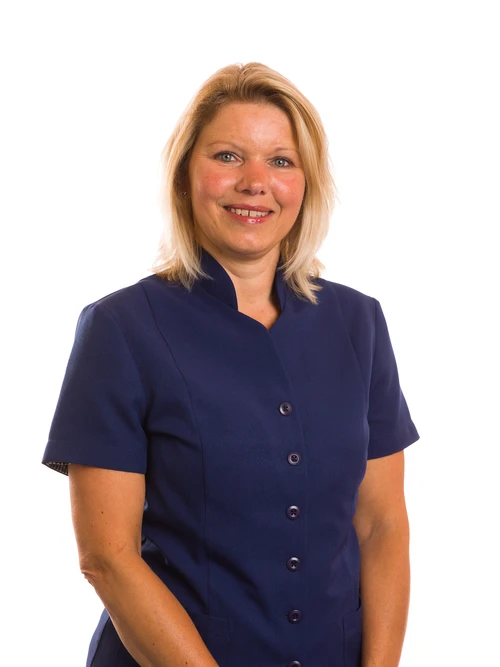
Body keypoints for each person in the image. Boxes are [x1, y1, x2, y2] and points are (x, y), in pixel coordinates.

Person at [42, 62, 419, 667]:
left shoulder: (359, 323)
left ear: (307, 183)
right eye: (227, 156)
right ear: (185, 175)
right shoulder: (120, 328)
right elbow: (107, 557)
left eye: (281, 161)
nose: (255, 182)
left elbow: (382, 525)